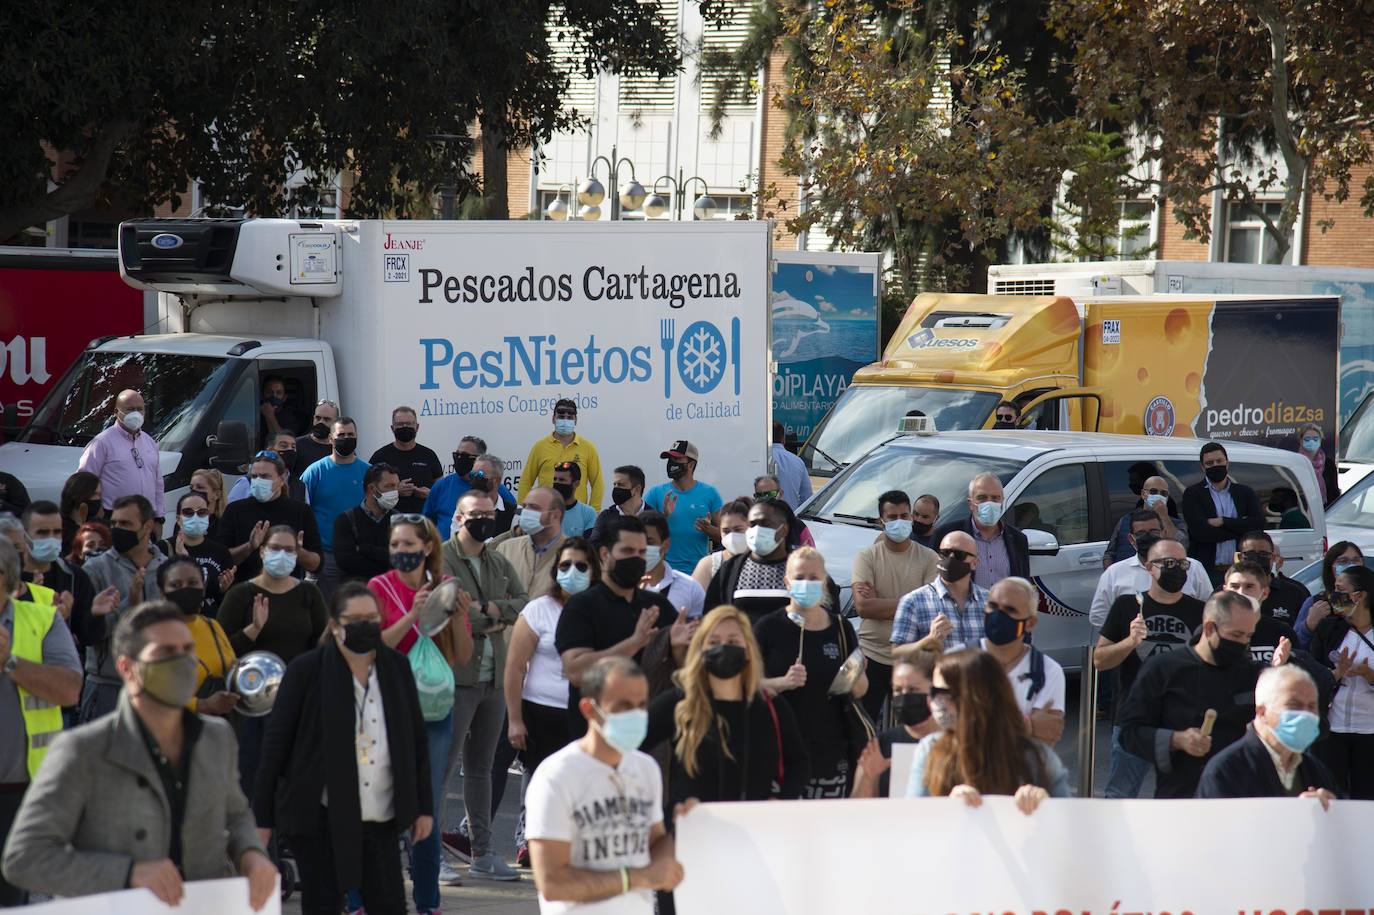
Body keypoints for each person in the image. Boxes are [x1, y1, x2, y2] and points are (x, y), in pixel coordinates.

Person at [1, 601, 275, 911]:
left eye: (187, 650)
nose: (183, 662)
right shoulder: (83, 751)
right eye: (165, 653)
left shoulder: (215, 737)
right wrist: (127, 874)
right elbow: (25, 858)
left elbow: (235, 814)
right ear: (127, 668)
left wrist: (251, 854)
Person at [254, 583, 432, 914]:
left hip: (380, 815)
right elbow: (275, 746)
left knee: (390, 904)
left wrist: (423, 806)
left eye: (372, 618)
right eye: (355, 619)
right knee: (323, 904)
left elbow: (415, 740)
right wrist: (262, 817)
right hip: (321, 816)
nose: (365, 626)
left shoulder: (396, 667)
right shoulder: (307, 671)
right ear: (335, 625)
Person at [368, 515, 474, 913]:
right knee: (376, 802)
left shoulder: (446, 589)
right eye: (395, 546)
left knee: (424, 806)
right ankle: (367, 897)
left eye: (409, 546)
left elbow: (462, 658)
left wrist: (458, 618)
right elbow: (373, 649)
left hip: (432, 712)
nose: (401, 554)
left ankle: (428, 902)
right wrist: (414, 616)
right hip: (384, 707)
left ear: (428, 547)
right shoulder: (379, 587)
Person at [525, 657, 683, 914]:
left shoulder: (646, 769)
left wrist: (681, 830)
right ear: (589, 709)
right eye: (623, 707)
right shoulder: (556, 776)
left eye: (642, 705)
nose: (636, 714)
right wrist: (637, 878)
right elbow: (552, 882)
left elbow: (656, 841)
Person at [1118, 590, 1289, 798]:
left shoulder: (1255, 675)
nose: (1243, 642)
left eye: (1248, 636)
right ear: (1209, 628)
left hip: (1243, 794)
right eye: (1236, 635)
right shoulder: (1163, 669)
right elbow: (1129, 732)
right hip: (1184, 795)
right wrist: (1176, 739)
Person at [439, 490, 530, 881]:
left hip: (493, 677)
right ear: (458, 517)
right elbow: (446, 610)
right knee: (442, 769)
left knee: (480, 768)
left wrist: (489, 611)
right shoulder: (442, 557)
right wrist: (492, 614)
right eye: (475, 513)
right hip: (457, 675)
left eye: (489, 513)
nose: (483, 519)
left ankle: (483, 852)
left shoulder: (496, 558)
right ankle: (429, 854)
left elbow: (522, 601)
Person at [643, 604, 807, 808]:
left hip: (755, 830)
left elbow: (798, 764)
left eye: (732, 641)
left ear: (748, 650)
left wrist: (782, 801)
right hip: (694, 831)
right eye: (713, 642)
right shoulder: (679, 703)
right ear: (700, 650)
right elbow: (632, 745)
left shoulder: (771, 707)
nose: (723, 648)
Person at [217, 525, 329, 800]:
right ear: (263, 551)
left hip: (296, 701)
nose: (282, 555)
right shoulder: (241, 595)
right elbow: (221, 650)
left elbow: (320, 647)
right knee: (251, 780)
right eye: (276, 548)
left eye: (289, 550)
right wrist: (253, 630)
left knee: (292, 780)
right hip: (250, 705)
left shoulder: (308, 594)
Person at [0, 538, 82, 906]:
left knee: (11, 899)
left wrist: (10, 663)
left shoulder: (42, 618)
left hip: (19, 792)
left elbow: (69, 691)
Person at [1095, 536, 1207, 799]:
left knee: (1181, 800)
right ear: (1148, 567)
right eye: (1168, 562)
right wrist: (1130, 642)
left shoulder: (1202, 612)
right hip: (1135, 718)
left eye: (1182, 564)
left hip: (1182, 720)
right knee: (1120, 796)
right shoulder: (1127, 606)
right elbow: (1100, 660)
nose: (1176, 569)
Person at [754, 547, 866, 797]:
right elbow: (747, 685)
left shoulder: (841, 627)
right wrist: (782, 683)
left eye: (814, 578)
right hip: (780, 747)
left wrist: (854, 676)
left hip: (830, 748)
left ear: (825, 581)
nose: (807, 583)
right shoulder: (767, 627)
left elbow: (861, 688)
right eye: (799, 577)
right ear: (787, 582)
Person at [555, 516, 682, 734]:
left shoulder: (657, 606)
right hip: (594, 735)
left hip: (648, 736)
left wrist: (681, 647)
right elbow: (575, 671)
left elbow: (680, 669)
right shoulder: (582, 606)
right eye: (627, 551)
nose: (636, 559)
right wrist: (634, 643)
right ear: (605, 554)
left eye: (642, 553)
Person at [904, 648, 1069, 807]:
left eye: (938, 692)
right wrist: (947, 808)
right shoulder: (930, 749)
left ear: (975, 697)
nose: (930, 700)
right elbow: (913, 821)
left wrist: (1047, 807)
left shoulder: (1036, 758)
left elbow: (1068, 823)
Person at [507, 539, 600, 779]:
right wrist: (515, 720)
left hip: (587, 716)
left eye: (581, 566)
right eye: (565, 565)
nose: (572, 572)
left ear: (594, 571)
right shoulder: (538, 610)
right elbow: (515, 667)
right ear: (555, 569)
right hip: (540, 716)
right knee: (538, 789)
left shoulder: (602, 611)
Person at [852, 489, 939, 722]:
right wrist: (912, 601)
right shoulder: (867, 556)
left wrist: (880, 604)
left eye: (904, 515)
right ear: (882, 521)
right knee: (863, 729)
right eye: (892, 517)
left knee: (911, 732)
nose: (899, 521)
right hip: (872, 656)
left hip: (913, 658)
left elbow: (929, 610)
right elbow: (863, 607)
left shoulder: (930, 558)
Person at [80, 494, 167, 722]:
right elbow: (91, 633)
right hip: (108, 687)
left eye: (126, 524)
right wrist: (132, 603)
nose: (118, 529)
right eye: (115, 523)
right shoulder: (96, 569)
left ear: (148, 526)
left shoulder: (166, 568)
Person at [1196, 664, 1340, 802]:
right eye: (1294, 705)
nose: (1305, 714)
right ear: (1262, 711)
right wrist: (1296, 813)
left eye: (1312, 706)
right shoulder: (1226, 770)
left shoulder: (1316, 772)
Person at [1309, 562, 1374, 799]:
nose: (1332, 595)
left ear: (1358, 596)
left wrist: (1369, 675)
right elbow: (1311, 670)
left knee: (1366, 801)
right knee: (1330, 795)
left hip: (1369, 730)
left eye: (1339, 589)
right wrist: (1334, 674)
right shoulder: (1329, 628)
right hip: (1332, 728)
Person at [703, 498, 819, 624]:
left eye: (765, 524)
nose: (757, 530)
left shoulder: (807, 570)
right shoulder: (731, 570)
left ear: (784, 529)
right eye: (753, 524)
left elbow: (825, 621)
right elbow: (711, 620)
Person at [1088, 510, 1212, 628]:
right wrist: (1126, 634)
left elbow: (1209, 608)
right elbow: (1098, 616)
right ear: (1131, 539)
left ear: (1163, 533)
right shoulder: (1114, 573)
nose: (1148, 537)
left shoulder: (1191, 567)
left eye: (1154, 532)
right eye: (1141, 533)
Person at [215, 450, 322, 584]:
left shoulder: (301, 511)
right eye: (254, 476)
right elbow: (220, 559)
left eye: (265, 476)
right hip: (244, 592)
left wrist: (297, 551)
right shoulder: (235, 510)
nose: (258, 481)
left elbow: (316, 564)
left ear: (282, 478)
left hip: (288, 593)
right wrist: (249, 547)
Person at [981, 577, 1066, 745]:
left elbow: (1046, 739)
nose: (998, 615)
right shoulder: (959, 660)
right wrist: (1027, 725)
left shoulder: (1048, 671)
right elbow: (944, 728)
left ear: (1030, 623)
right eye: (993, 606)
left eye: (1010, 610)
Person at [155, 558, 238, 716]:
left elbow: (231, 665)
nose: (185, 590)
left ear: (203, 587)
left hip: (214, 730)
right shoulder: (152, 632)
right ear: (162, 593)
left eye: (192, 583)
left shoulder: (212, 626)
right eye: (176, 585)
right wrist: (203, 705)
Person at [852, 653, 939, 798]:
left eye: (913, 689)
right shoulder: (880, 745)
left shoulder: (953, 742)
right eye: (898, 690)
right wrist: (869, 777)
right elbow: (858, 808)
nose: (904, 696)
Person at [891, 531, 990, 659]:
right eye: (945, 553)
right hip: (935, 678)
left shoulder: (989, 602)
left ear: (975, 563)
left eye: (959, 555)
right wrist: (930, 640)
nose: (951, 558)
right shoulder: (913, 601)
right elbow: (897, 654)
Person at [300, 417, 369, 598]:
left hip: (358, 555)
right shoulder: (315, 472)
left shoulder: (369, 472)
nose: (346, 438)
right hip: (326, 555)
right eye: (341, 435)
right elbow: (302, 511)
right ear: (331, 439)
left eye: (350, 435)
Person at [1182, 442, 1267, 586]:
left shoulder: (1245, 492)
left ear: (1227, 463)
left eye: (1219, 461)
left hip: (1242, 570)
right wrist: (1241, 528)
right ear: (1203, 467)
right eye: (1209, 463)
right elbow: (1199, 533)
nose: (1215, 465)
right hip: (1208, 572)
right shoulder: (1193, 494)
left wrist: (1223, 522)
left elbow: (1258, 524)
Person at [77, 389, 164, 521]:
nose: (136, 413)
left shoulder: (150, 442)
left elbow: (158, 483)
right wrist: (96, 513)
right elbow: (83, 482)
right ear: (117, 412)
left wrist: (159, 518)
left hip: (146, 519)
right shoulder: (102, 443)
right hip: (113, 518)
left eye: (139, 409)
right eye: (130, 409)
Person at [17, 501, 98, 641]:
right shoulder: (7, 578)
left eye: (57, 532)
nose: (51, 538)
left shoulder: (75, 576)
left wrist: (97, 615)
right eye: (43, 533)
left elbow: (87, 637)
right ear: (24, 536)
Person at [934, 472, 1028, 589]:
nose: (989, 503)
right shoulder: (947, 536)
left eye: (995, 498)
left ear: (1002, 501)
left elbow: (1023, 585)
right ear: (970, 503)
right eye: (982, 498)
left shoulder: (1018, 539)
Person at [644, 441, 723, 574]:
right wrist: (663, 516)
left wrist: (708, 529)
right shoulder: (655, 493)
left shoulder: (710, 493)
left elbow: (725, 536)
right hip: (663, 574)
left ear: (691, 464)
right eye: (670, 459)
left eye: (676, 459)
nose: (671, 463)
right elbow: (639, 531)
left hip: (698, 573)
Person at [517, 398, 604, 511]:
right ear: (553, 419)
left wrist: (594, 512)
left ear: (576, 420)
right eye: (561, 416)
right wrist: (523, 509)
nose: (565, 420)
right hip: (545, 513)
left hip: (577, 514)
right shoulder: (540, 447)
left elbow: (597, 483)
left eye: (569, 417)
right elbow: (526, 480)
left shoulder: (588, 448)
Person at [161, 491, 235, 617]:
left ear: (208, 516)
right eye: (188, 513)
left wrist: (223, 589)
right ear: (179, 519)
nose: (195, 517)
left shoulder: (221, 552)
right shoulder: (163, 548)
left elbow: (226, 601)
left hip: (209, 621)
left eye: (201, 512)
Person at [1103, 471, 1188, 567]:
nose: (1159, 496)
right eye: (1153, 491)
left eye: (1163, 493)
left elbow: (1182, 546)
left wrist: (1163, 516)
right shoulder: (1125, 520)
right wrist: (1111, 574)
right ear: (1143, 494)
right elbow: (1109, 554)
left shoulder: (1176, 524)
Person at [369, 405, 444, 515]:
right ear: (392, 428)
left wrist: (431, 494)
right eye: (400, 424)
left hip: (423, 521)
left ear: (417, 427)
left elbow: (442, 490)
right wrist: (395, 492)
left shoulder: (429, 455)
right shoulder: (380, 456)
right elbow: (369, 491)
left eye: (409, 424)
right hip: (388, 522)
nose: (405, 427)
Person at [1223, 561, 1301, 665]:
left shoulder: (1282, 633)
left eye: (1249, 586)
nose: (1241, 593)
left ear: (1265, 593)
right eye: (1234, 586)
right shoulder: (1211, 631)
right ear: (1225, 591)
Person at [333, 463, 399, 584]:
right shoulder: (346, 520)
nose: (394, 491)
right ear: (372, 488)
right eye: (389, 486)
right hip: (357, 593)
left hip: (391, 591)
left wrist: (365, 549)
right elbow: (345, 562)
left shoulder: (400, 520)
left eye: (396, 486)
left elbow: (400, 559)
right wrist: (385, 556)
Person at [498, 487, 566, 601]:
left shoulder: (575, 553)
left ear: (555, 515)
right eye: (524, 507)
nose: (526, 512)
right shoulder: (506, 548)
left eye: (534, 508)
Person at [1295, 541, 1363, 649]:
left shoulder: (1369, 600)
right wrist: (1309, 625)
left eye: (1356, 560)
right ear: (1331, 567)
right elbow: (1294, 647)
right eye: (1343, 561)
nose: (1351, 565)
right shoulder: (1317, 603)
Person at [640, 511, 706, 620]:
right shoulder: (622, 587)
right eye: (638, 542)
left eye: (649, 542)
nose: (642, 548)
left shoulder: (690, 588)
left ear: (665, 545)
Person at [1236, 530, 1310, 627]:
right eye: (1250, 554)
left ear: (1273, 557)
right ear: (1240, 557)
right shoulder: (1225, 593)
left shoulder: (1296, 593)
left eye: (1263, 554)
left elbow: (1305, 633)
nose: (1256, 559)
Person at [422, 434, 487, 539]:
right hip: (444, 553)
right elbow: (427, 522)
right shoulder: (441, 486)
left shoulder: (492, 486)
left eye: (465, 456)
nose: (459, 458)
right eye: (457, 454)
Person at [226, 433, 307, 504]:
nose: (290, 450)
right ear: (270, 450)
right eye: (284, 446)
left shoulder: (300, 486)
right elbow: (229, 512)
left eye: (293, 447)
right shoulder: (247, 482)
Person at [690, 499, 751, 592]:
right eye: (726, 531)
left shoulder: (764, 562)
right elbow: (695, 600)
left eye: (738, 529)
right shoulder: (709, 564)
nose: (732, 535)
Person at [591, 465, 646, 548]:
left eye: (620, 485)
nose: (616, 488)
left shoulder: (651, 515)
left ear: (637, 489)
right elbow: (593, 544)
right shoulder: (606, 516)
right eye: (614, 485)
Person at [754, 475, 814, 546]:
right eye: (761, 495)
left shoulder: (798, 526)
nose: (766, 499)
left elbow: (811, 554)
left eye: (771, 494)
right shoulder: (750, 525)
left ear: (781, 494)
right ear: (755, 497)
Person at [768, 420, 813, 509]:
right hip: (790, 518)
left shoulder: (759, 459)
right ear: (783, 439)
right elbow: (807, 497)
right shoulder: (798, 461)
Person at [58, 470, 103, 551]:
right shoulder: (59, 528)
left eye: (99, 495)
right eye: (93, 494)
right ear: (78, 495)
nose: (98, 499)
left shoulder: (99, 526)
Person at [293, 398, 340, 475]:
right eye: (318, 418)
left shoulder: (340, 448)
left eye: (326, 419)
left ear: (336, 422)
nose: (320, 422)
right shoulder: (297, 445)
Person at [1296, 422, 1338, 505]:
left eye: (1315, 439)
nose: (1311, 441)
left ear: (1320, 441)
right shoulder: (1296, 463)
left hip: (1325, 510)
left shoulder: (1329, 464)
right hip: (1303, 510)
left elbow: (1334, 493)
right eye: (1307, 439)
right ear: (1301, 441)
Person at [552, 461, 597, 539]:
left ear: (576, 484)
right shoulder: (544, 510)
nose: (557, 483)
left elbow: (588, 546)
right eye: (555, 479)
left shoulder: (588, 513)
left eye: (562, 480)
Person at [258, 374, 304, 443]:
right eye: (269, 392)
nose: (274, 396)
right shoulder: (255, 412)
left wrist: (270, 416)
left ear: (284, 398)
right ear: (263, 395)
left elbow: (282, 443)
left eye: (278, 393)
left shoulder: (292, 417)